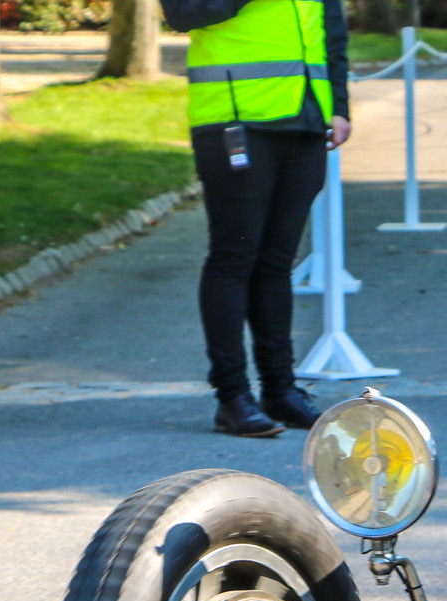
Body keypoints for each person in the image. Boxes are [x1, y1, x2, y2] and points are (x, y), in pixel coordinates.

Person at [163, 0, 349, 437]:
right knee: (234, 258)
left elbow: (332, 29)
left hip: (305, 119)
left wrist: (339, 105)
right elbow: (182, 13)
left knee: (276, 262)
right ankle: (232, 396)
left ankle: (280, 391)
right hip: (235, 117)